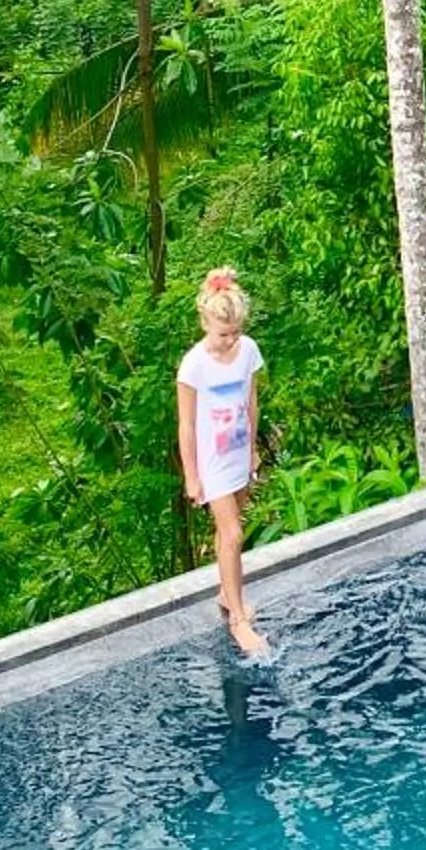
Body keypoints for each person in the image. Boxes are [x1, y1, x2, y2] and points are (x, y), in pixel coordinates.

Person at [177, 268, 269, 659]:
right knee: (232, 535)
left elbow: (251, 403)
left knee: (230, 531)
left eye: (234, 332)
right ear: (205, 323)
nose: (229, 341)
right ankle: (238, 619)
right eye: (221, 334)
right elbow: (186, 424)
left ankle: (224, 592)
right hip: (211, 462)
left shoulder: (247, 350)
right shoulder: (193, 365)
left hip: (237, 453)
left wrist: (252, 450)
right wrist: (192, 476)